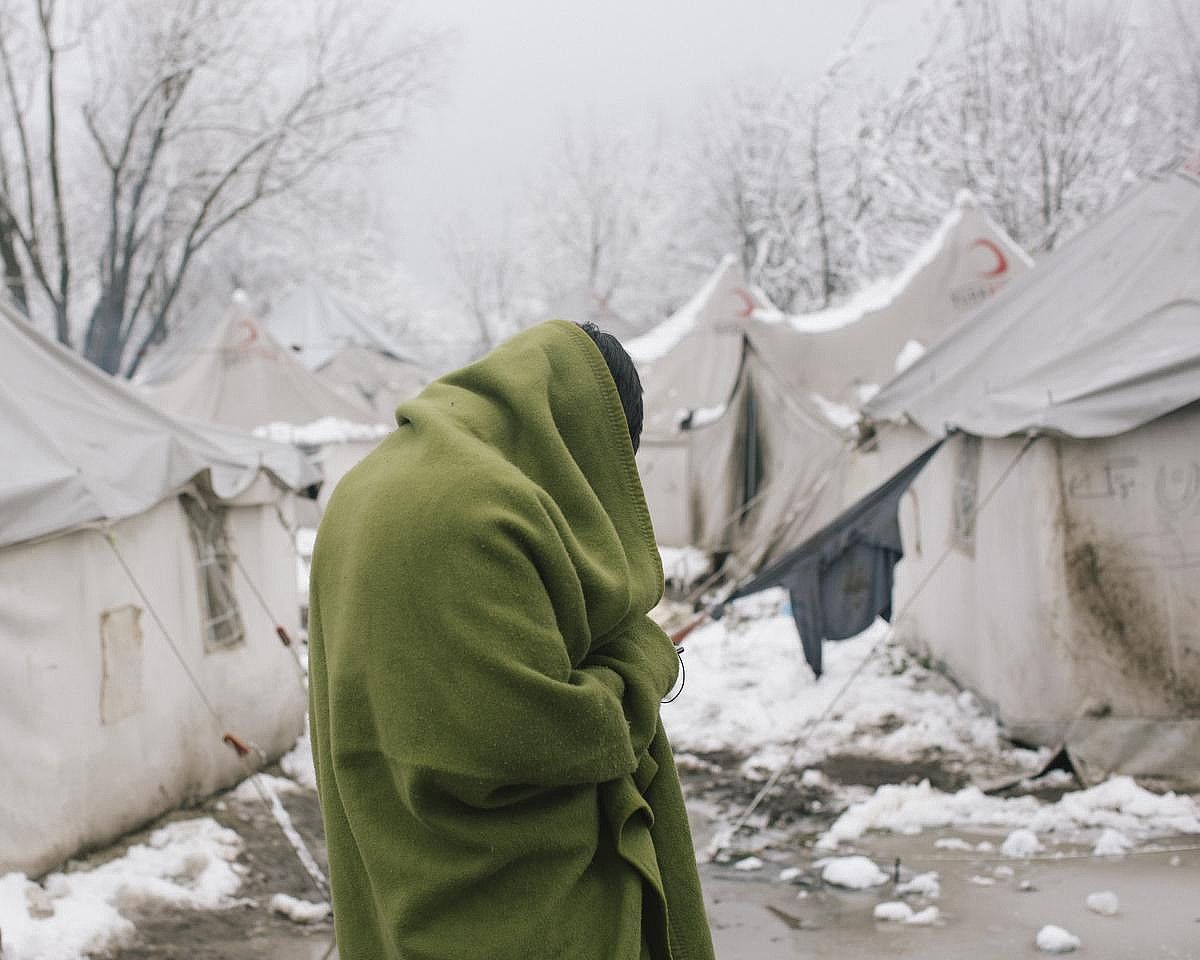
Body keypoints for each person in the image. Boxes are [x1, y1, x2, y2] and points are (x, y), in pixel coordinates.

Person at [307, 320, 716, 960]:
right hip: (515, 912)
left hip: (398, 865)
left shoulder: (368, 484)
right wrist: (645, 657)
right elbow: (540, 733)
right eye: (611, 457)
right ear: (575, 429)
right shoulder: (478, 505)